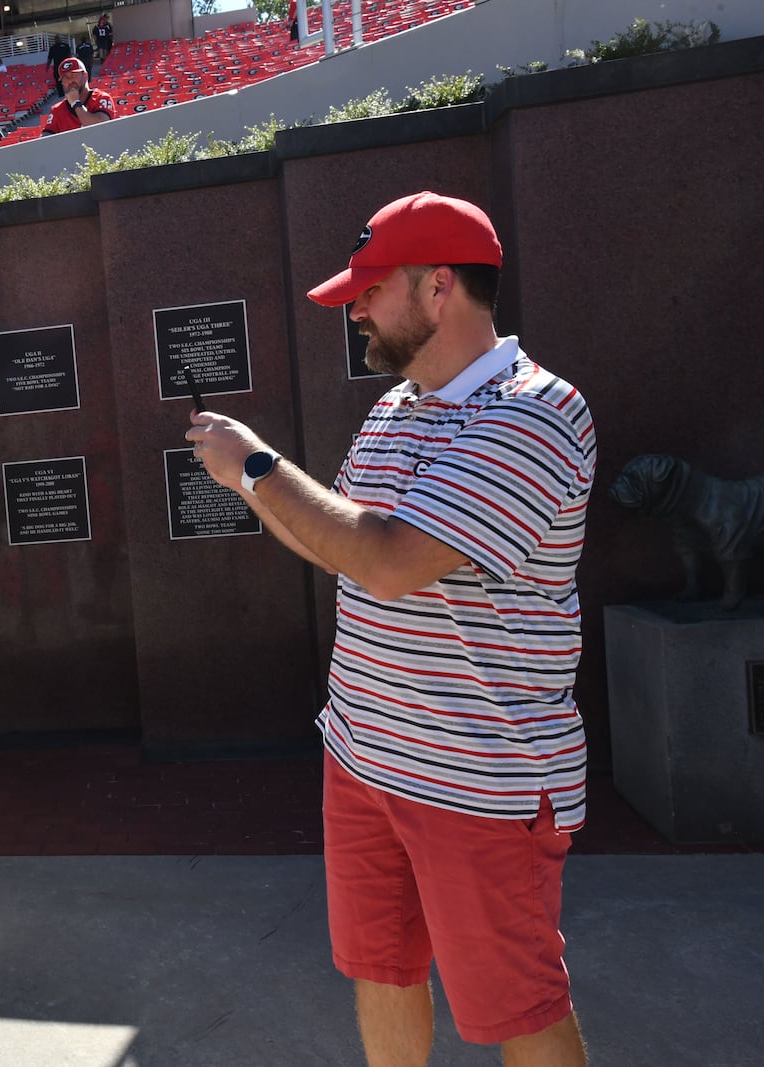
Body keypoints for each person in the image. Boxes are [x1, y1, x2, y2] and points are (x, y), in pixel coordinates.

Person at [184, 191, 595, 1066]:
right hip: (365, 757)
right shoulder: (395, 408)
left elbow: (390, 559)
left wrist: (258, 461)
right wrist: (248, 485)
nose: (357, 308)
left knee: (519, 1005)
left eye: (372, 290)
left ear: (440, 286)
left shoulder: (539, 413)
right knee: (384, 969)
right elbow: (337, 547)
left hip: (484, 778)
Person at [44, 57, 113, 133]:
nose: (70, 80)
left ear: (86, 76)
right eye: (65, 78)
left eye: (74, 75)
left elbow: (102, 127)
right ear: (62, 83)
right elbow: (45, 139)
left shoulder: (101, 98)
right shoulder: (57, 110)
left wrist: (75, 103)